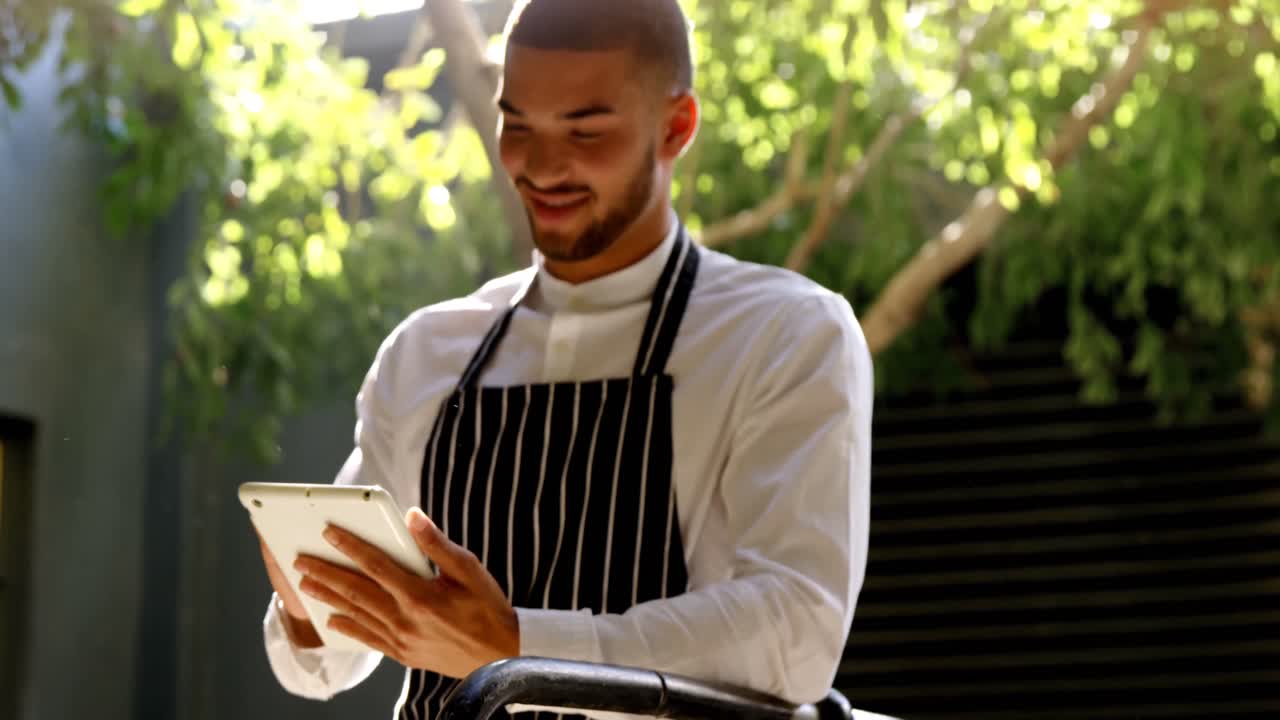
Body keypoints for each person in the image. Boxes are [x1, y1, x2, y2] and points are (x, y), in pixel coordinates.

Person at [257, 0, 873, 718]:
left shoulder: (784, 335)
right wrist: (311, 598)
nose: (540, 165)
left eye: (585, 128)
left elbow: (797, 630)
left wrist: (517, 646)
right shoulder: (428, 351)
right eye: (516, 124)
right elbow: (321, 664)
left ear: (676, 127)